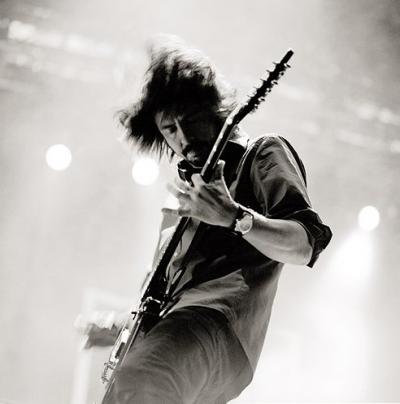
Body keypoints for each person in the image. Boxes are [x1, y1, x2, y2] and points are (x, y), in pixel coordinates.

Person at [93, 35, 332, 404]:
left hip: (218, 324)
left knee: (143, 376)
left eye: (190, 119)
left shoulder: (261, 153)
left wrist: (235, 217)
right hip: (186, 335)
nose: (183, 136)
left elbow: (304, 244)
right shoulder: (184, 197)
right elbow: (169, 298)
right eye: (169, 128)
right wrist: (123, 327)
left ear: (215, 108)